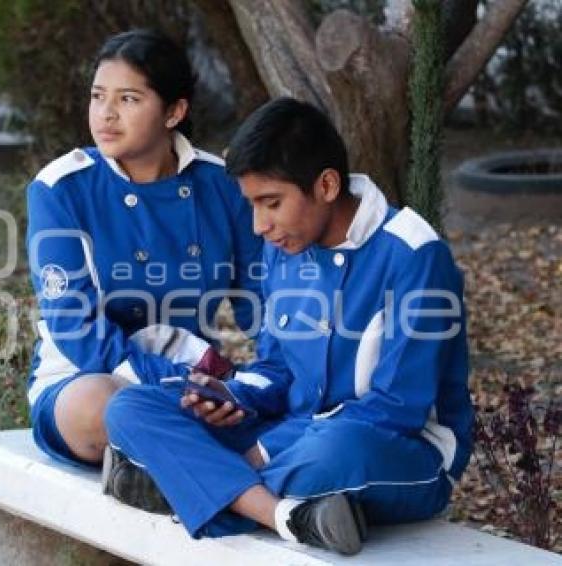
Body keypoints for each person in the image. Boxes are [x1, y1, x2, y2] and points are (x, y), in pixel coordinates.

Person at [102, 97, 474, 556]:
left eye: (271, 203)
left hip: (396, 450)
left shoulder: (414, 255)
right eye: (251, 205)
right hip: (292, 433)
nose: (259, 225)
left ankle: (180, 487)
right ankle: (288, 515)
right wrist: (232, 396)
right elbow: (276, 367)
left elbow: (396, 408)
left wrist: (261, 451)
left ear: (326, 185)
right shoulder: (284, 249)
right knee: (132, 407)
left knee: (331, 452)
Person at [25, 29, 263, 467]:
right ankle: (232, 464)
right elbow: (74, 322)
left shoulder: (222, 185)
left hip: (203, 376)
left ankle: (158, 470)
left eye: (128, 99)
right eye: (98, 96)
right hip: (91, 375)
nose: (106, 114)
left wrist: (242, 378)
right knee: (100, 408)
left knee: (278, 400)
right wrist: (177, 382)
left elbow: (255, 299)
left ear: (174, 112)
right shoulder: (62, 189)